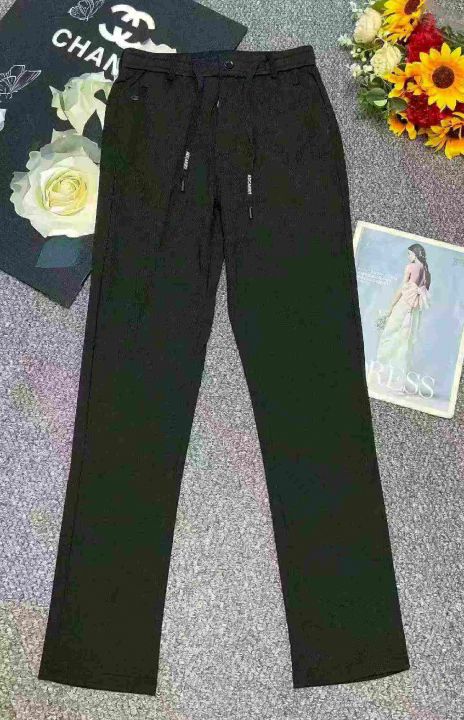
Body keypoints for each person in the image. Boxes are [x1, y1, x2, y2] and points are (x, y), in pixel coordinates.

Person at [376, 243, 431, 391]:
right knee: (406, 341)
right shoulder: (427, 272)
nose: (408, 257)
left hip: (404, 304)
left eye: (409, 254)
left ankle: (385, 374)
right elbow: (424, 291)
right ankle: (399, 380)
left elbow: (401, 289)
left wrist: (390, 307)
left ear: (415, 254)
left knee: (389, 334)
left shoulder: (410, 267)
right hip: (415, 310)